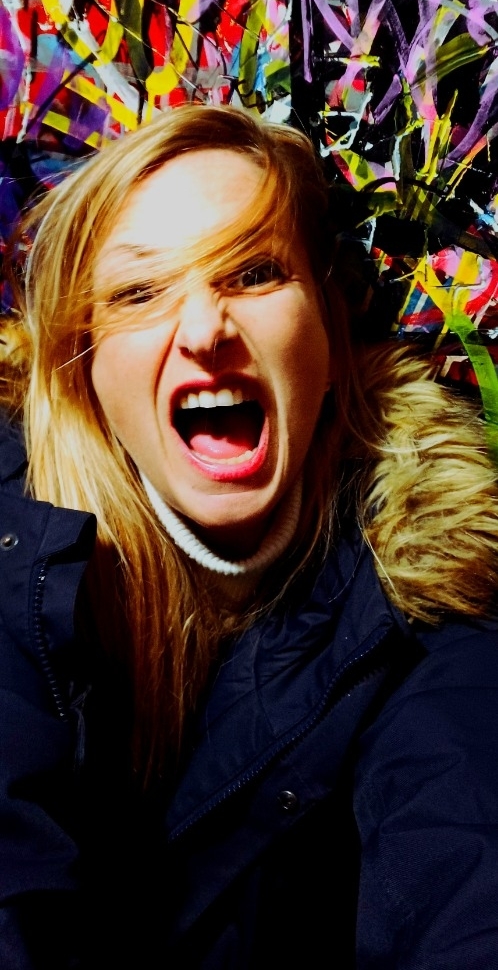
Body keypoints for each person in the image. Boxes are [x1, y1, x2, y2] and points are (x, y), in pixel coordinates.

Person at [1, 104, 498, 970]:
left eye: (254, 273)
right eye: (140, 292)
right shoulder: (14, 540)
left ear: (329, 332)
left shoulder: (433, 585)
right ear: (85, 369)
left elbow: (465, 850)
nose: (204, 331)